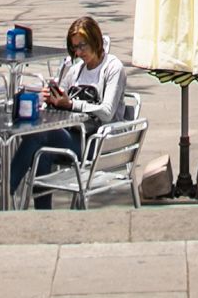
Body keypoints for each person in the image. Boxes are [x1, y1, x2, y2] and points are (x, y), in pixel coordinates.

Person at [10, 15, 127, 204]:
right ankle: (43, 218)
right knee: (41, 150)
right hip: (74, 135)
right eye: (75, 47)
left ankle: (5, 193)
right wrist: (52, 99)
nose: (79, 52)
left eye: (83, 46)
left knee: (39, 136)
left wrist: (71, 104)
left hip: (98, 143)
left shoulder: (113, 68)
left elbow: (107, 112)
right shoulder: (76, 70)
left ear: (95, 41)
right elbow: (61, 99)